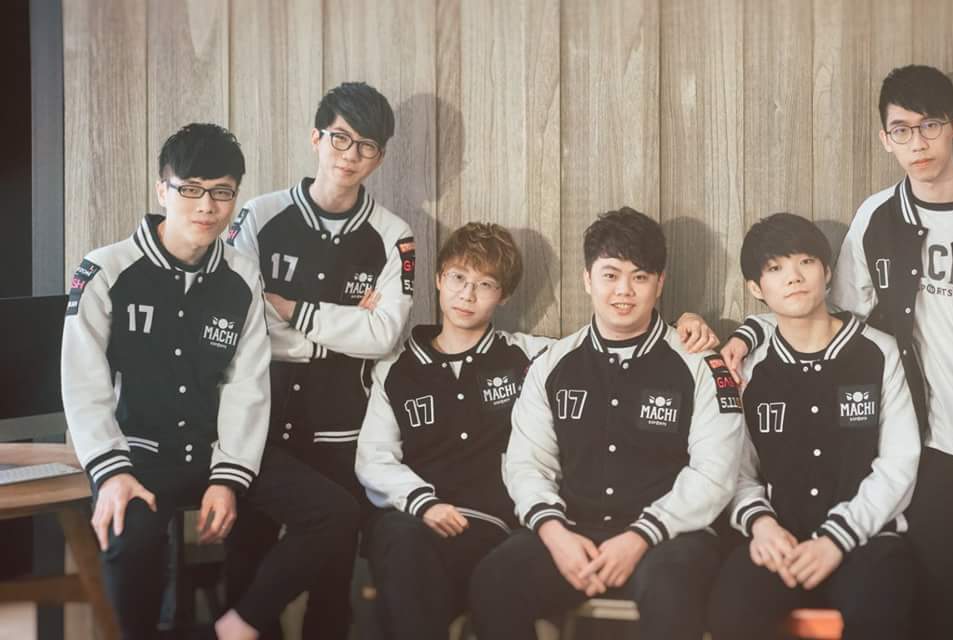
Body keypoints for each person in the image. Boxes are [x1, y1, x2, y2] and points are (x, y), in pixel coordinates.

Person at [724, 64, 953, 640]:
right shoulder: (876, 218)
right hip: (932, 453)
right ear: (885, 139)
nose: (917, 143)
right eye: (901, 130)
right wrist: (751, 332)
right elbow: (827, 314)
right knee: (932, 609)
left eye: (930, 126)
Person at [61, 123, 357, 640]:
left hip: (216, 448)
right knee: (129, 539)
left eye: (222, 192)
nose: (206, 206)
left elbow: (247, 384)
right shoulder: (105, 270)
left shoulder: (241, 276)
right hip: (137, 454)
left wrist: (229, 476)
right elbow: (82, 381)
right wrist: (110, 472)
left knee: (335, 513)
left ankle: (236, 627)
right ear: (163, 190)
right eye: (191, 189)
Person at [357, 222, 721, 639]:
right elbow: (374, 459)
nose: (467, 294)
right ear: (438, 279)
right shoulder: (395, 369)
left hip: (490, 526)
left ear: (503, 295)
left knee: (483, 579)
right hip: (416, 522)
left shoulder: (530, 356)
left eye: (485, 284)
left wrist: (684, 325)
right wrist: (422, 502)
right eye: (458, 278)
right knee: (406, 547)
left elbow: (615, 345)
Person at [469, 207, 744, 640]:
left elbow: (715, 472)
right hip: (571, 531)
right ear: (587, 279)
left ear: (660, 283)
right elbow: (527, 463)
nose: (624, 291)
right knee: (494, 582)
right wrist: (555, 534)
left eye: (639, 277)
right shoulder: (552, 364)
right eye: (610, 275)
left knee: (670, 592)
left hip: (671, 537)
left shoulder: (699, 364)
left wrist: (640, 536)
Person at [225, 81, 414, 639]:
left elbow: (384, 334)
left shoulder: (393, 235)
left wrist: (291, 308)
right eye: (340, 138)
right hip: (259, 418)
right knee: (247, 561)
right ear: (316, 138)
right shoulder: (259, 215)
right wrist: (340, 327)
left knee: (332, 584)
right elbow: (239, 318)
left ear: (379, 157)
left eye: (366, 146)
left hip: (341, 425)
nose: (350, 155)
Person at [708, 213, 920, 640]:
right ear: (756, 288)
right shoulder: (747, 368)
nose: (793, 277)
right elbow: (737, 468)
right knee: (730, 613)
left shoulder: (879, 352)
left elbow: (899, 463)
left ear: (826, 271)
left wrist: (836, 538)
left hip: (866, 540)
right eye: (775, 268)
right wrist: (762, 525)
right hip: (777, 537)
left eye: (805, 261)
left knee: (881, 612)